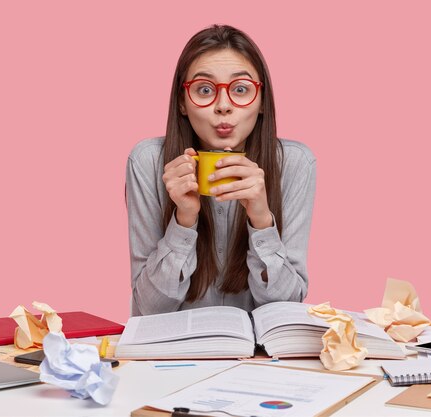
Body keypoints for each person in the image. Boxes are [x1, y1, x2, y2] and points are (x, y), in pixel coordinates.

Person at [126, 24, 316, 316]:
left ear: (262, 101)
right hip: (172, 356)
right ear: (182, 102)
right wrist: (184, 219)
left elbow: (288, 309)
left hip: (257, 357)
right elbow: (149, 309)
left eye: (241, 89)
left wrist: (262, 220)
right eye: (205, 90)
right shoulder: (148, 161)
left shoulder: (294, 163)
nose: (223, 106)